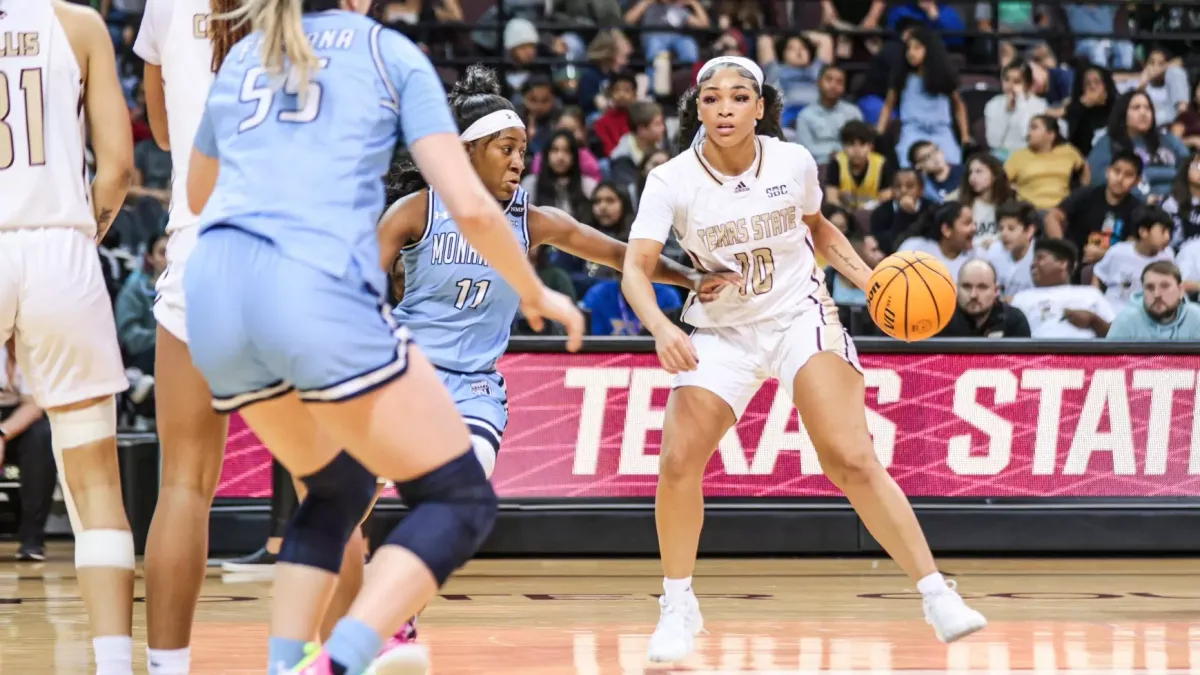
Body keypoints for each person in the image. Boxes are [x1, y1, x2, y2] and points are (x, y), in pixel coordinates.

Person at [182, 3, 583, 675]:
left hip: (215, 295)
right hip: (309, 286)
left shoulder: (250, 54)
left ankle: (288, 664)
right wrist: (537, 291)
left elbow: (198, 193)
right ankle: (344, 657)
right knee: (459, 499)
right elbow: (473, 208)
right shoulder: (387, 52)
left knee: (337, 490)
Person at [620, 55, 987, 665]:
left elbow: (818, 229)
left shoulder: (792, 162)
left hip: (798, 316)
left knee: (849, 457)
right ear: (698, 108)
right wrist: (659, 326)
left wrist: (869, 279)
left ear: (760, 107)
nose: (726, 109)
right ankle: (677, 603)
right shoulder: (671, 180)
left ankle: (934, 591)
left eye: (740, 98)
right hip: (720, 331)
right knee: (679, 460)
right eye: (712, 99)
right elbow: (635, 267)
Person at [376, 63, 734, 662]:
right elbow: (356, 285)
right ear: (467, 151)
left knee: (458, 498)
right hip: (403, 377)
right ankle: (340, 600)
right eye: (507, 149)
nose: (521, 161)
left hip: (473, 389)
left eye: (523, 150)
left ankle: (397, 616)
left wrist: (690, 275)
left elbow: (622, 255)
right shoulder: (416, 211)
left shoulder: (532, 221)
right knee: (350, 497)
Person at [134, 4, 370, 672]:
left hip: (198, 256)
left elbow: (160, 126)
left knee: (182, 484)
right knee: (330, 486)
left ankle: (166, 668)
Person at [0, 1, 136, 673]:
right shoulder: (77, 23)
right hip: (59, 245)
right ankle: (113, 664)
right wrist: (77, 242)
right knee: (95, 487)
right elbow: (116, 168)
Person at [1, 338, 57, 562]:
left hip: (17, 418)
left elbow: (35, 404)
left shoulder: (32, 344)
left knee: (42, 435)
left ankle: (32, 539)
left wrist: (2, 434)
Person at [1010, 239, 1115, 338]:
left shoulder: (1090, 293)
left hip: (1085, 353)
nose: (1032, 264)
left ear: (1062, 263)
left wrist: (1094, 321)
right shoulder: (1021, 298)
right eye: (1033, 259)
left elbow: (1117, 335)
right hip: (1038, 354)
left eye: (1040, 258)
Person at [1092, 207, 1175, 313]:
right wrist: (1097, 302)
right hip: (1114, 312)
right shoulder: (1118, 252)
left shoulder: (1168, 256)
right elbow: (1098, 274)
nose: (1167, 237)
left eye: (1169, 232)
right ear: (1143, 232)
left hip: (1148, 315)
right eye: (1163, 231)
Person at [937, 259, 1031, 337]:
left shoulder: (1014, 321)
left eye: (982, 287)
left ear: (995, 291)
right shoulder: (940, 321)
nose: (973, 295)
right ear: (956, 288)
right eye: (967, 287)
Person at [1107, 261, 1200, 340]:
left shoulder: (1196, 317)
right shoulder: (1125, 320)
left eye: (1165, 286)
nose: (1157, 294)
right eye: (1150, 287)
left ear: (1180, 291)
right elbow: (1110, 361)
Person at [895, 200, 979, 280]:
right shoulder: (914, 249)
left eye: (973, 223)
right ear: (946, 230)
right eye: (967, 223)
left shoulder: (978, 257)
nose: (974, 228)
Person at [984, 200, 1037, 299]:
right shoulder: (993, 252)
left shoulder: (1039, 256)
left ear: (1029, 231)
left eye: (1011, 228)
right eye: (1001, 228)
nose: (1004, 234)